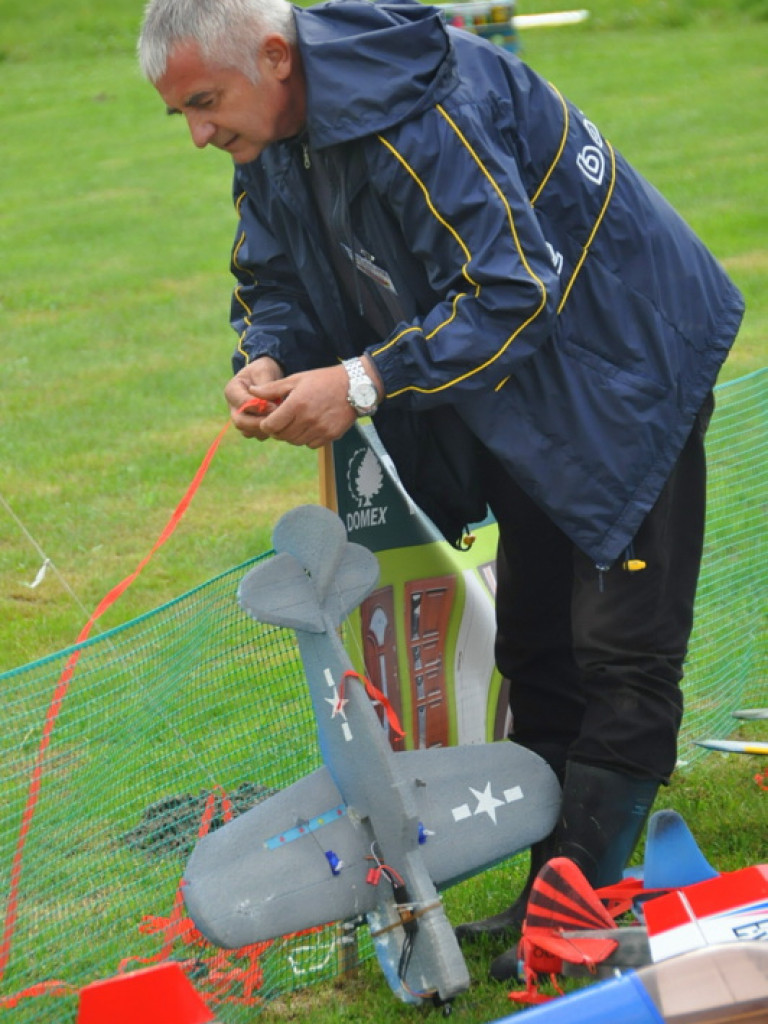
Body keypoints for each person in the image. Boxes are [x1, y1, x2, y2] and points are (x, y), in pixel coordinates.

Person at [138, 0, 744, 980]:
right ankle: (552, 891)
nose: (200, 135)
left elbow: (516, 288)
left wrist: (361, 383)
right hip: (512, 393)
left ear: (277, 56)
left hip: (623, 368)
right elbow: (275, 277)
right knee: (537, 643)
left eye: (206, 102)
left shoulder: (422, 106)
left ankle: (579, 903)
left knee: (621, 648)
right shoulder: (272, 140)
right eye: (182, 116)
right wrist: (269, 357)